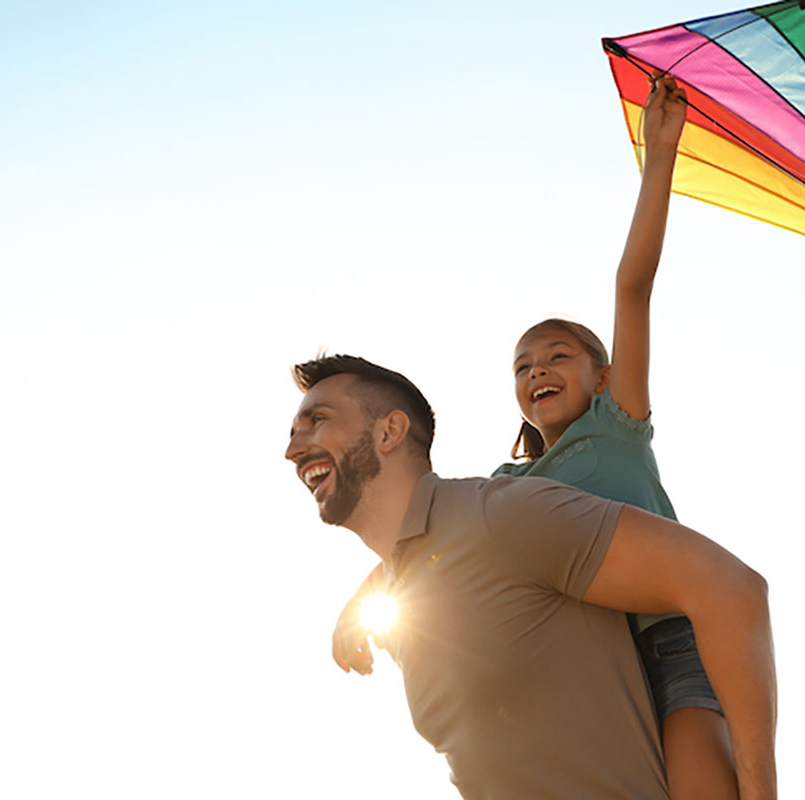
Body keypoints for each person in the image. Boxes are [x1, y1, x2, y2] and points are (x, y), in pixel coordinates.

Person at [330, 75, 739, 797]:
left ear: (602, 377)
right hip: (588, 664)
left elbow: (632, 284)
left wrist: (661, 156)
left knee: (700, 771)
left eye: (557, 356)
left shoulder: (619, 421)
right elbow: (421, 540)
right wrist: (355, 611)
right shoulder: (509, 486)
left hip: (665, 632)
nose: (537, 369)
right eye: (523, 364)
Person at [287, 354, 776, 800]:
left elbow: (732, 590)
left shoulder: (502, 515)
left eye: (317, 420)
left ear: (389, 432)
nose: (292, 449)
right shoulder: (402, 606)